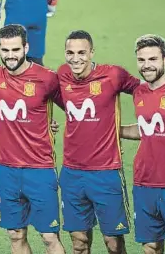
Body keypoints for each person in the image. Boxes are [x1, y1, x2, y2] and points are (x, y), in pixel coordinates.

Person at [0, 24, 66, 254]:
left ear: (26, 47)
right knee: (15, 235)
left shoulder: (47, 78)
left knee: (49, 237)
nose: (10, 55)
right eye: (5, 50)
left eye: (16, 49)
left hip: (40, 169)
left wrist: (51, 122)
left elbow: (73, 107)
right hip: (7, 170)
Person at [57, 30, 140, 254]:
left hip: (106, 173)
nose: (76, 58)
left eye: (82, 52)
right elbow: (55, 101)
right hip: (72, 173)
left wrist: (151, 124)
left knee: (113, 244)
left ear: (92, 52)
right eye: (70, 53)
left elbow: (144, 90)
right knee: (79, 243)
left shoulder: (113, 75)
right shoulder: (62, 75)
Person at [120, 34, 165, 254]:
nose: (147, 65)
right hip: (144, 181)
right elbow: (146, 129)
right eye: (142, 60)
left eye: (153, 59)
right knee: (150, 246)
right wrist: (113, 131)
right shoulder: (139, 92)